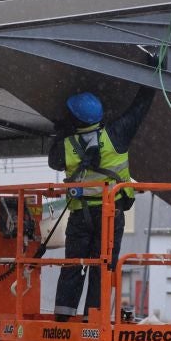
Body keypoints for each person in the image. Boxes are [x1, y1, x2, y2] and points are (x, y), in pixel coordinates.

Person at [48, 84, 155, 322]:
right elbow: (140, 108)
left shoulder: (65, 146)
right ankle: (92, 319)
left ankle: (63, 318)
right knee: (103, 267)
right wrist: (151, 77)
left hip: (79, 216)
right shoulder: (117, 134)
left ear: (74, 119)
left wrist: (63, 131)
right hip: (110, 214)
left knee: (73, 266)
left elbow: (53, 161)